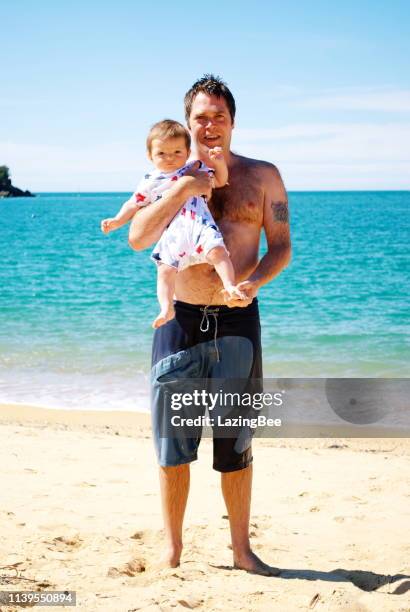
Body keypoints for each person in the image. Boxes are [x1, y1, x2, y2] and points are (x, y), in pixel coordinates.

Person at [129, 75, 291, 576]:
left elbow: (281, 245)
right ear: (189, 121)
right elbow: (137, 238)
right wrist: (182, 188)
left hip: (239, 319)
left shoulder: (263, 176)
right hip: (179, 319)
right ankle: (172, 550)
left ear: (233, 121)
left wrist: (256, 281)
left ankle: (241, 552)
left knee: (236, 441)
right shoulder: (165, 177)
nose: (211, 124)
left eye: (219, 115)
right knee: (171, 443)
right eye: (201, 116)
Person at [101, 119, 245, 328]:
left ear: (187, 153)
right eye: (161, 153)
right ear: (150, 155)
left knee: (218, 253)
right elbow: (133, 204)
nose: (169, 158)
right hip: (174, 233)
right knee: (165, 269)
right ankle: (166, 307)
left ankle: (230, 286)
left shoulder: (195, 168)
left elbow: (220, 180)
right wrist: (117, 221)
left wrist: (219, 162)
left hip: (199, 224)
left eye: (177, 152)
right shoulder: (150, 181)